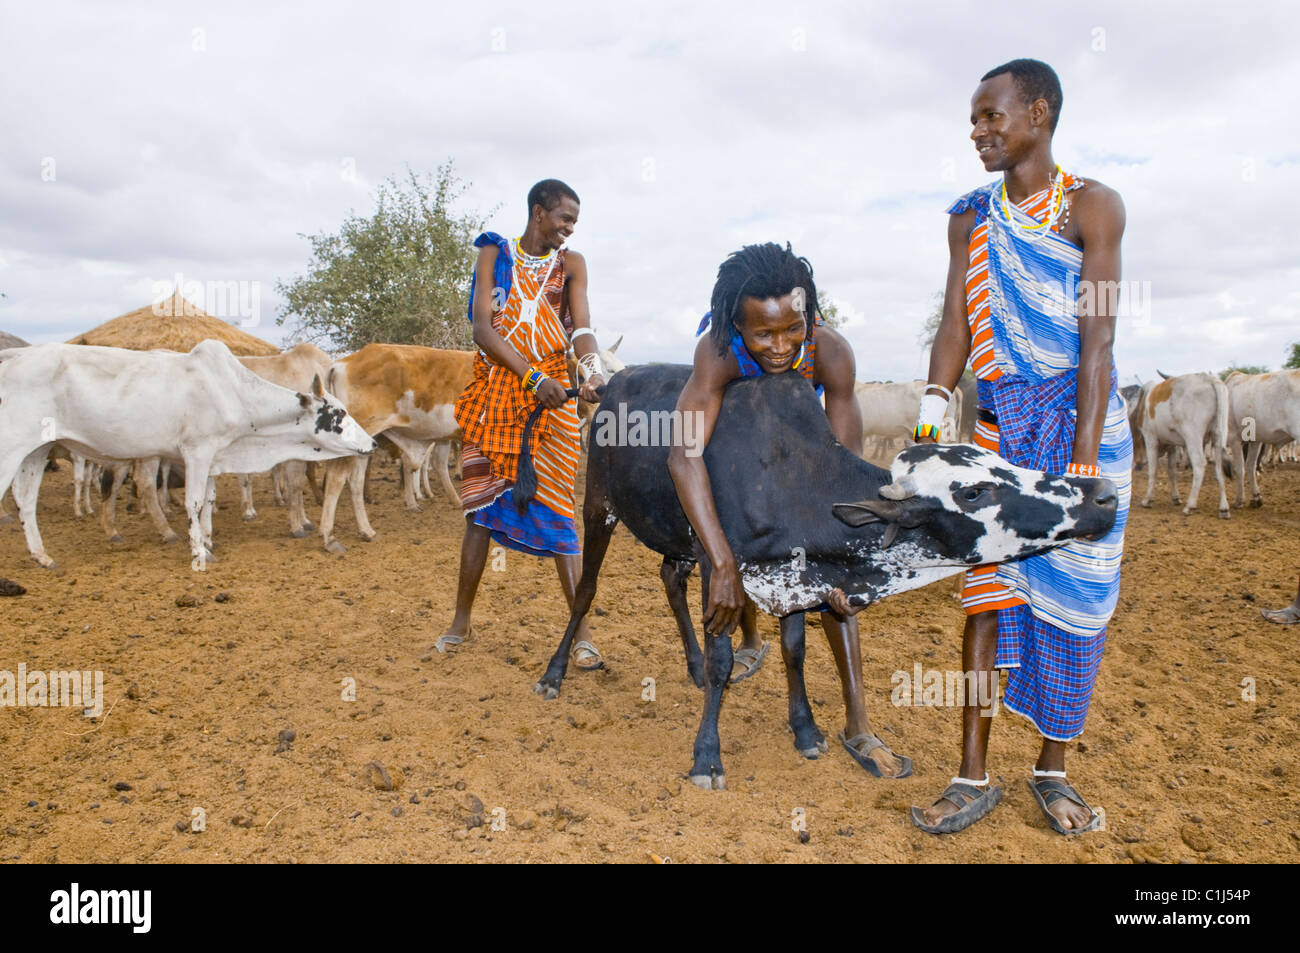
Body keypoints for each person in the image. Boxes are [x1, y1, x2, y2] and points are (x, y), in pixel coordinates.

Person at [909, 59, 1132, 833]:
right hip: (999, 434)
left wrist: (1077, 473)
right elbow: (954, 327)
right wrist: (933, 428)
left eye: (990, 116)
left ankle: (1052, 768)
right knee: (984, 599)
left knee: (1077, 602)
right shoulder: (970, 218)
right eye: (973, 120)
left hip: (1083, 432)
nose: (977, 132)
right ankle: (971, 773)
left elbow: (1098, 344)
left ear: (1038, 112)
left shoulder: (1096, 209)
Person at [667, 242, 912, 779]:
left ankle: (858, 724)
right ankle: (751, 636)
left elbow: (841, 470)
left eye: (792, 329)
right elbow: (683, 454)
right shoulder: (718, 353)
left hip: (799, 452)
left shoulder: (830, 352)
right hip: (738, 458)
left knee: (832, 585)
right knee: (741, 541)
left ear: (809, 315)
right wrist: (724, 563)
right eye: (763, 334)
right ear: (737, 324)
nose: (780, 347)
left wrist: (842, 562)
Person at [437, 179, 605, 668]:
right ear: (539, 213)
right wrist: (532, 379)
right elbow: (482, 328)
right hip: (498, 397)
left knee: (560, 514)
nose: (569, 230)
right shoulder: (494, 253)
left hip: (553, 407)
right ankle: (460, 622)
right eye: (564, 219)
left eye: (574, 222)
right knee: (480, 511)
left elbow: (584, 328)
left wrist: (593, 374)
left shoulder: (571, 265)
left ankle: (581, 633)